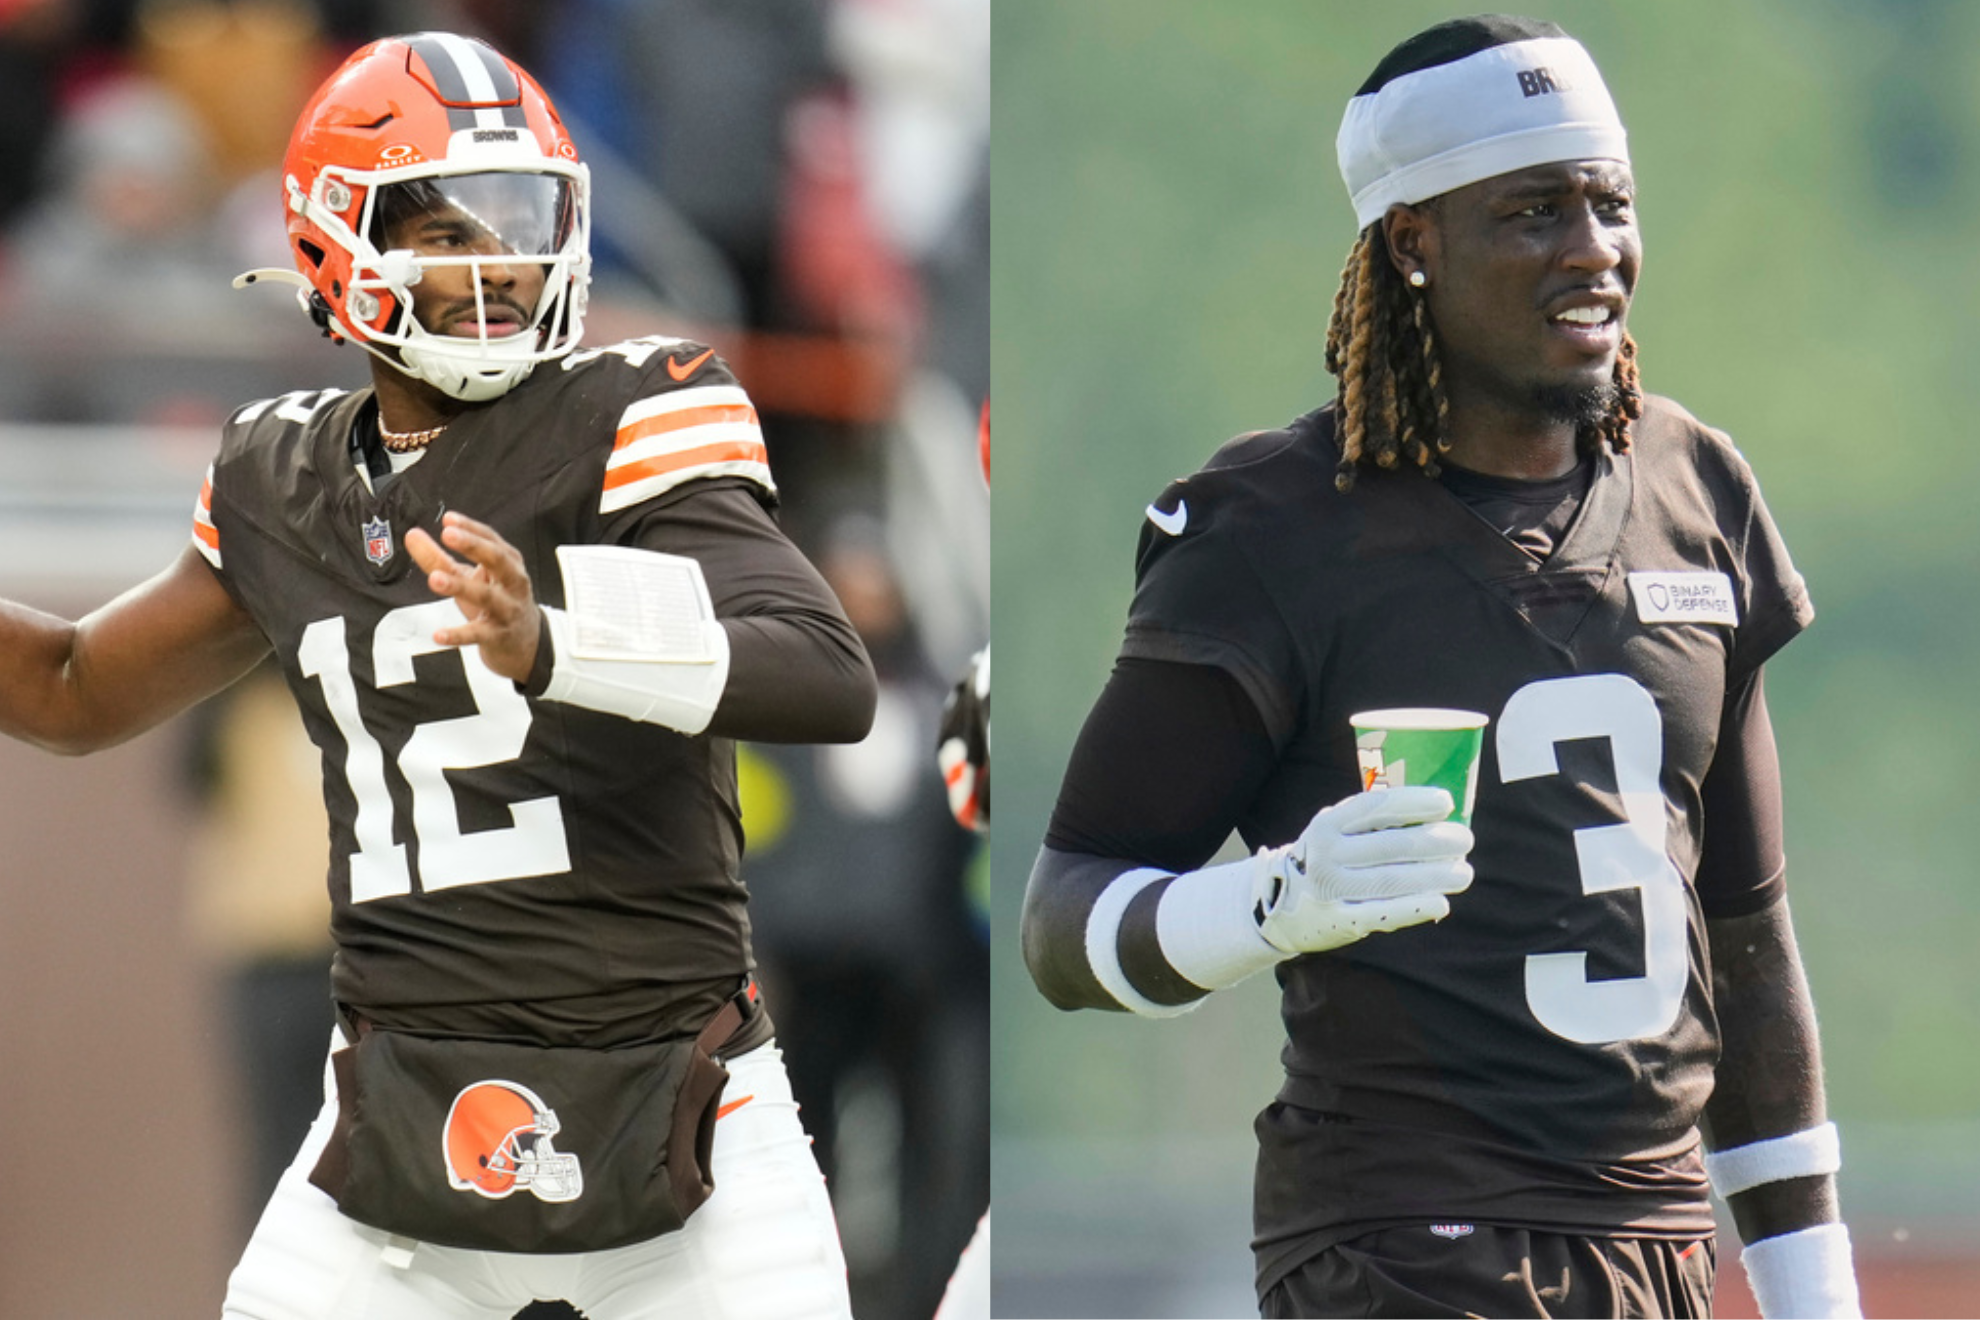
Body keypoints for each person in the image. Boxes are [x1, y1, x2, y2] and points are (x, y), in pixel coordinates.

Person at [0, 31, 874, 1320]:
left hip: (686, 1125)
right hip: (400, 1131)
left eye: (518, 222)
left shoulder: (633, 409)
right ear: (332, 243)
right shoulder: (280, 477)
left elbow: (823, 672)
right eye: (446, 230)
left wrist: (553, 642)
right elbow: (73, 690)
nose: (496, 263)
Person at [1022, 15, 1858, 1319]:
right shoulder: (1275, 528)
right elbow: (1062, 921)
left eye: (1610, 203)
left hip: (1654, 1248)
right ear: (1414, 241)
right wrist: (1270, 902)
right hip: (1401, 1248)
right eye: (1535, 211)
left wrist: (1817, 1295)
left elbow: (1746, 945)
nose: (1594, 248)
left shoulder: (1695, 489)